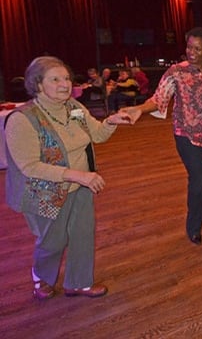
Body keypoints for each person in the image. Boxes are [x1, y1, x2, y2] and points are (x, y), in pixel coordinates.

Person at [4, 56, 132, 300]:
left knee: (83, 233)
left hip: (81, 185)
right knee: (54, 240)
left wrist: (111, 122)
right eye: (55, 79)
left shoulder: (72, 107)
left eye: (66, 78)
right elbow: (29, 166)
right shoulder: (23, 119)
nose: (64, 84)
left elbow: (96, 134)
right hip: (45, 191)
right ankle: (41, 277)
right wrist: (78, 176)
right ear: (38, 85)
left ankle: (79, 282)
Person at [121, 27, 202, 245]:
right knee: (198, 182)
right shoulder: (176, 71)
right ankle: (194, 228)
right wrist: (140, 108)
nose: (191, 52)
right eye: (189, 47)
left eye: (197, 48)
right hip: (187, 135)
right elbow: (160, 98)